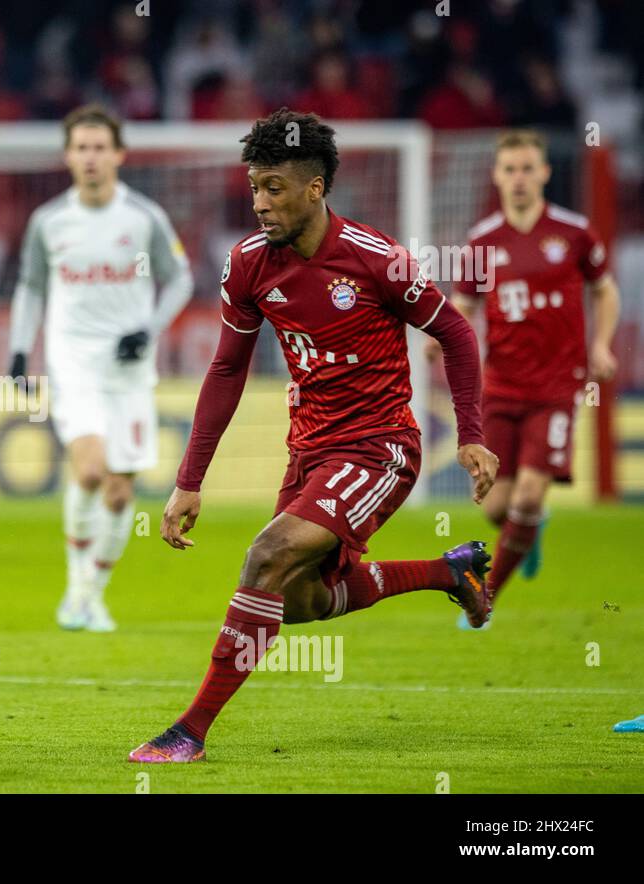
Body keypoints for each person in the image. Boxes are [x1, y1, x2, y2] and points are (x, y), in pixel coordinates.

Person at [130, 109, 497, 763]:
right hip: (310, 453)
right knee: (296, 601)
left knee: (265, 556)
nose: (259, 202)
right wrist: (189, 480)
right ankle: (449, 570)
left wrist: (470, 433)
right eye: (254, 187)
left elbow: (457, 334)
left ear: (314, 190)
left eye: (273, 188)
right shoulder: (247, 266)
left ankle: (189, 731)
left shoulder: (376, 260)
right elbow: (225, 370)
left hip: (380, 447)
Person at [8, 103, 193, 632]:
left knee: (119, 490)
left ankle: (93, 592)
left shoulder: (143, 217)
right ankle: (77, 591)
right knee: (89, 470)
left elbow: (178, 279)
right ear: (68, 156)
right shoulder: (48, 221)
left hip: (129, 369)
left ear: (118, 155)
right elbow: (31, 288)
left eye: (99, 147)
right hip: (72, 361)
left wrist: (148, 330)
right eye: (81, 147)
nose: (90, 157)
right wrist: (19, 350)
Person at [429, 129, 619, 628]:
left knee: (529, 496)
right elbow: (465, 306)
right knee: (498, 506)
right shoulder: (483, 242)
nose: (519, 178)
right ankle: (529, 532)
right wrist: (441, 336)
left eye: (527, 168)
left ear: (544, 172)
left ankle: (483, 600)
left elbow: (605, 290)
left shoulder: (574, 233)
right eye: (510, 169)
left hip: (557, 385)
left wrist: (600, 344)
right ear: (497, 175)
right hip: (500, 387)